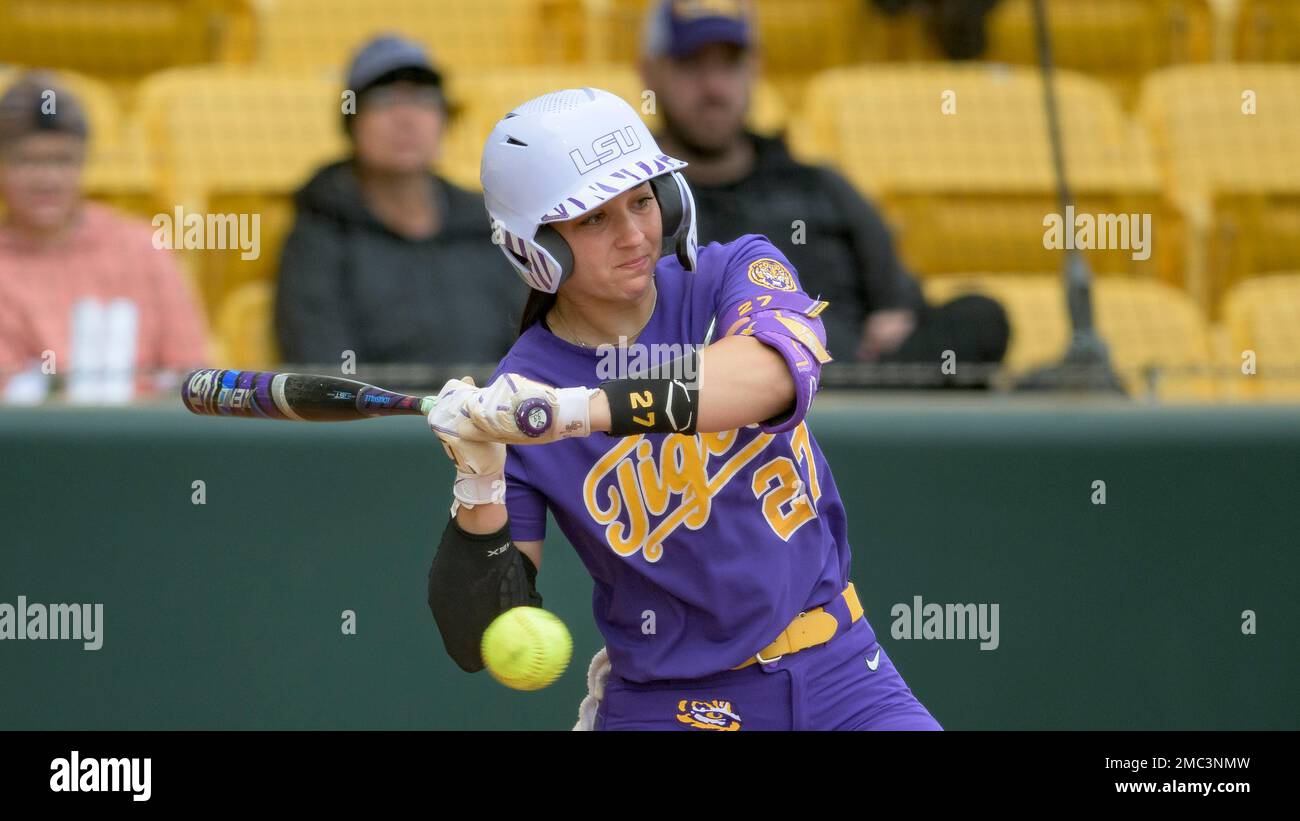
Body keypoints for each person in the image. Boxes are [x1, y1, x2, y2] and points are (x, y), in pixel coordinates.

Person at [423, 87, 941, 731]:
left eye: (642, 201)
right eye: (593, 219)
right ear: (535, 247)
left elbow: (776, 375)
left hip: (844, 671)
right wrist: (478, 479)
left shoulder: (731, 272)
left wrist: (576, 410)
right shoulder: (521, 394)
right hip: (677, 706)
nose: (634, 234)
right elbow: (480, 633)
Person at [640, 0, 1008, 383]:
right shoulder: (635, 202)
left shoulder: (821, 188)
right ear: (649, 72)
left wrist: (897, 319)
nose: (714, 87)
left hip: (855, 390)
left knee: (980, 317)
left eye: (729, 65)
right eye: (691, 65)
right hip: (715, 402)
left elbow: (898, 308)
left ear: (755, 70)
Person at [275, 35, 525, 367]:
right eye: (383, 101)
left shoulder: (487, 226)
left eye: (424, 100)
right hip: (376, 416)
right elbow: (320, 364)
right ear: (351, 121)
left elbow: (530, 345)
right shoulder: (318, 232)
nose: (406, 118)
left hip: (492, 415)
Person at [0, 72, 208, 404]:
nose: (47, 179)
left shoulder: (141, 248)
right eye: (28, 161)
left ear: (83, 162)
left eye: (62, 161)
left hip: (144, 439)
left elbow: (192, 374)